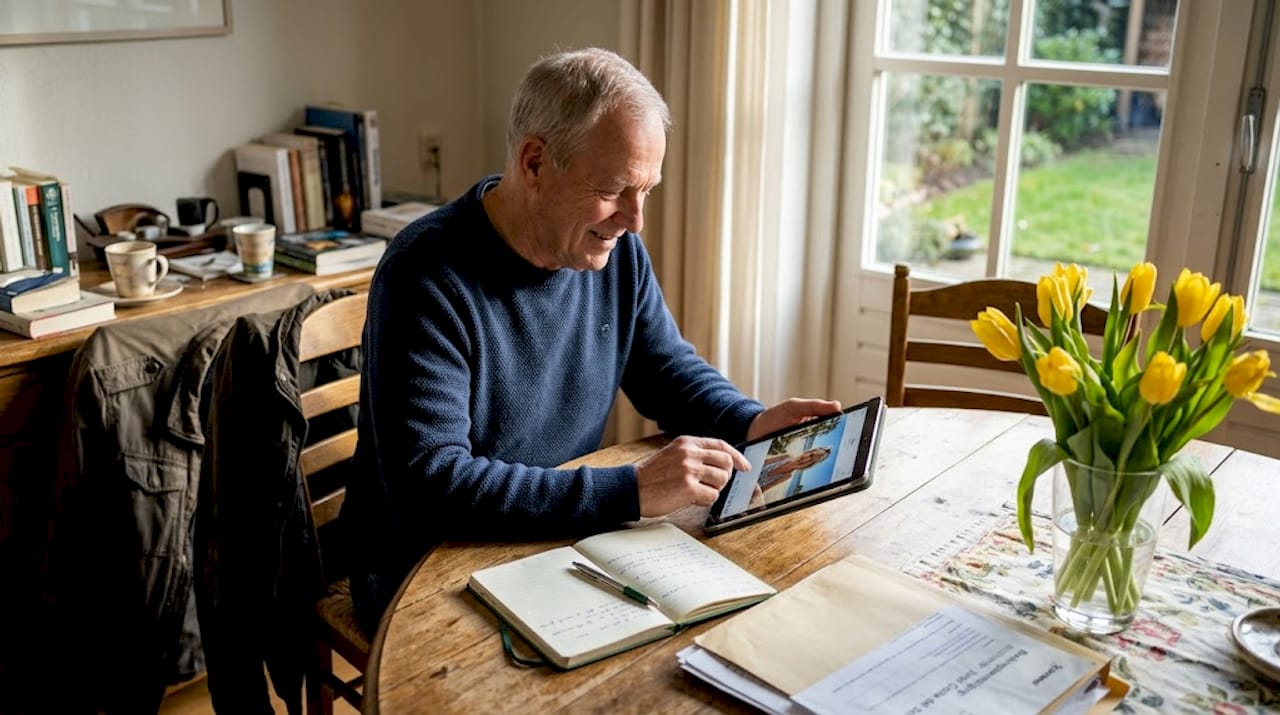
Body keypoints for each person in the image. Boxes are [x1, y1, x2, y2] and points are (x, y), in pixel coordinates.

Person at [342, 47, 840, 631]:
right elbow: (433, 486)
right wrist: (629, 490)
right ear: (534, 162)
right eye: (613, 188)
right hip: (421, 569)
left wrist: (749, 422)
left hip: (551, 541)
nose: (635, 219)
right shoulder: (425, 274)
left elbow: (667, 371)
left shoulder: (615, 252)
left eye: (646, 190)